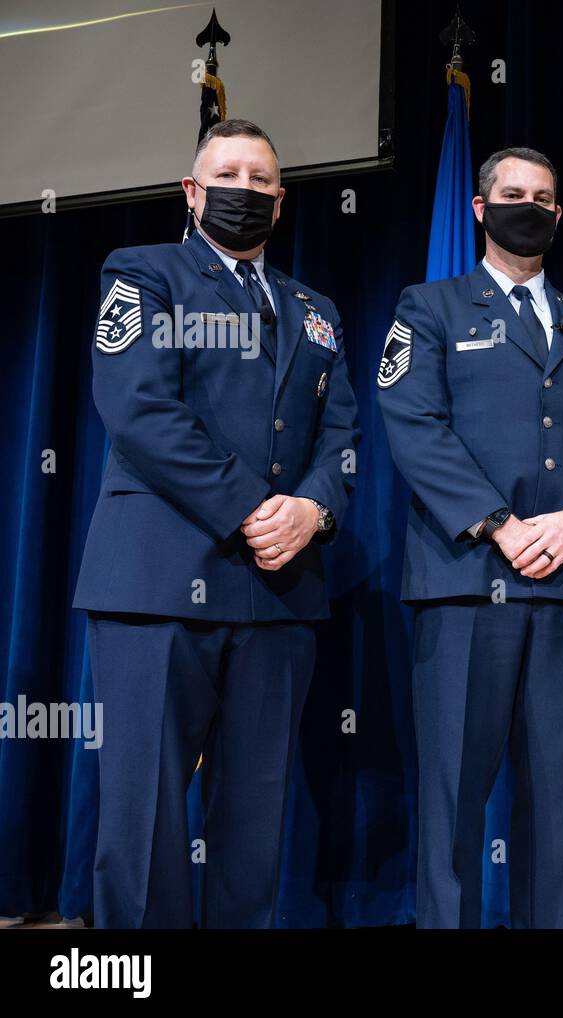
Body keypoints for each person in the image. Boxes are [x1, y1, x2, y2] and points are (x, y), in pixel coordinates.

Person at [74, 119, 359, 928]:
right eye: (227, 174)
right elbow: (140, 412)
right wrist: (254, 510)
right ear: (193, 193)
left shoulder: (316, 309)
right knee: (146, 818)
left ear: (280, 198)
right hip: (158, 582)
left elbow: (342, 437)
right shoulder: (143, 272)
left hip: (280, 591)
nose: (246, 188)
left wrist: (313, 510)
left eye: (261, 178)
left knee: (256, 821)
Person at [377, 147, 563, 928]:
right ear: (480, 208)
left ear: (558, 217)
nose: (528, 205)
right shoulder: (429, 308)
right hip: (465, 579)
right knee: (455, 790)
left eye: (543, 197)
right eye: (513, 193)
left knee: (560, 798)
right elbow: (414, 428)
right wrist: (500, 525)